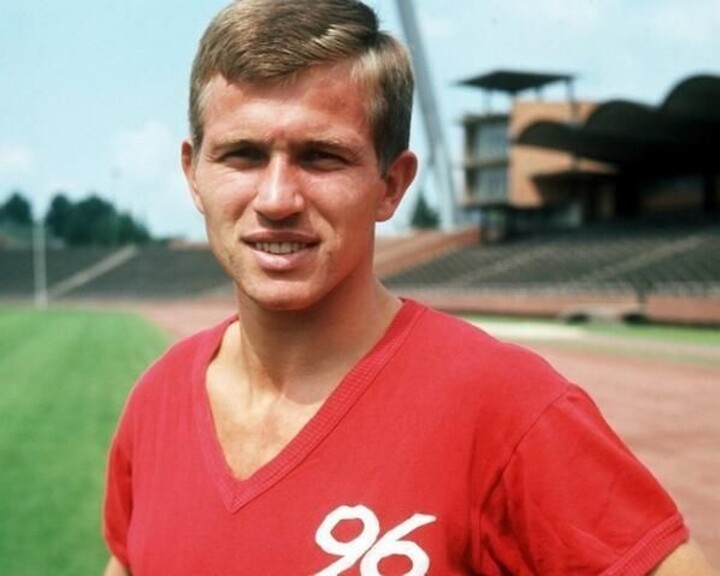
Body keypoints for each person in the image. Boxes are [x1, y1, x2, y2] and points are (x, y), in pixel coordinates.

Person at [103, 1, 717, 574]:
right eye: (242, 154)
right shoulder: (156, 401)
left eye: (321, 157)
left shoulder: (507, 408)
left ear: (391, 185)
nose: (277, 198)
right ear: (194, 174)